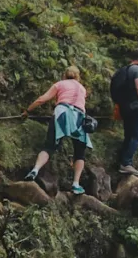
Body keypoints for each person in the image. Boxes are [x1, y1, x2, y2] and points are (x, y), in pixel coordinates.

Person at [23, 66, 93, 195]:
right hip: (79, 118)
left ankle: (35, 170)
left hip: (62, 114)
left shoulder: (60, 84)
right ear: (78, 76)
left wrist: (28, 111)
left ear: (64, 75)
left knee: (49, 146)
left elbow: (41, 99)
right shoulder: (82, 89)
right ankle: (76, 184)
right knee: (80, 153)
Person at [110, 47, 138, 176]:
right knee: (137, 136)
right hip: (136, 107)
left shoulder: (121, 70)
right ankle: (126, 163)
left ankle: (124, 162)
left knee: (129, 136)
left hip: (124, 107)